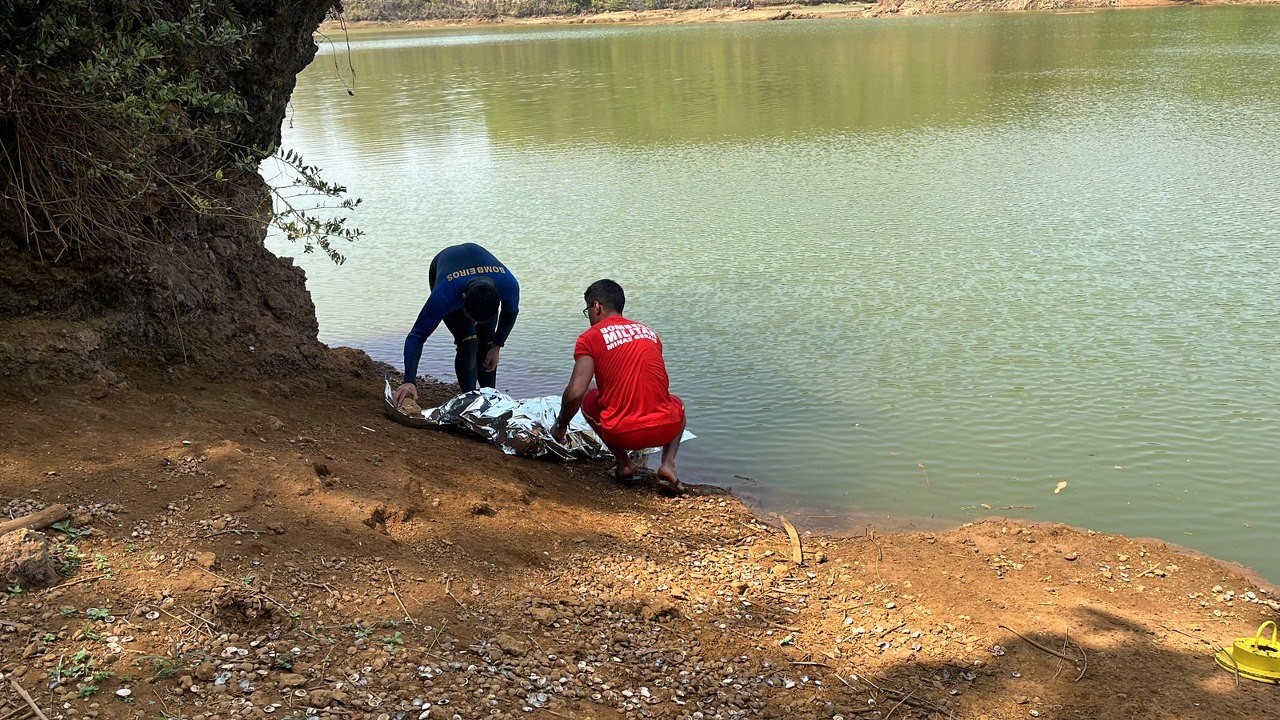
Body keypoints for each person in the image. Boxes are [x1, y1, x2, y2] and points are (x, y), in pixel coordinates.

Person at [551, 279, 685, 493]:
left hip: (625, 434)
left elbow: (575, 392)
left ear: (596, 306)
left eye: (588, 310)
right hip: (666, 428)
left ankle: (624, 464)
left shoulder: (590, 337)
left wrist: (561, 425)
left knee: (587, 394)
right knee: (677, 403)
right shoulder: (649, 333)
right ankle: (668, 464)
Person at [393, 243, 519, 406]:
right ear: (464, 298)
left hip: (481, 281)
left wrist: (497, 346)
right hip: (444, 266)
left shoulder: (509, 285)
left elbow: (511, 312)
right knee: (468, 340)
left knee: (487, 341)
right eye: (472, 318)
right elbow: (416, 336)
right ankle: (469, 400)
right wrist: (409, 380)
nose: (474, 323)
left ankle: (490, 399)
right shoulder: (445, 294)